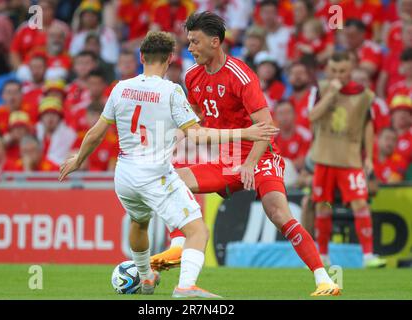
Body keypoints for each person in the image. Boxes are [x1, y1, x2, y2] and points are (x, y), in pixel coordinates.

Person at [59, 30, 276, 298]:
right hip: (154, 174)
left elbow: (96, 132)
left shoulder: (120, 88)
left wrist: (78, 160)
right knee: (197, 231)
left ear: (141, 57)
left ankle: (146, 276)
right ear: (170, 59)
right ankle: (185, 287)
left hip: (124, 175)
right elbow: (198, 134)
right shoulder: (171, 91)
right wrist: (245, 133)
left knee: (139, 223)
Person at [150, 12, 340, 297]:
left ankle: (324, 279)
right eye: (188, 41)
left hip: (259, 156)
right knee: (170, 180)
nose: (189, 48)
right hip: (225, 160)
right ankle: (178, 244)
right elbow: (199, 114)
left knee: (278, 212)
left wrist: (250, 163)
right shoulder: (192, 76)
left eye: (195, 41)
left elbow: (267, 127)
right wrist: (177, 134)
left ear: (215, 42)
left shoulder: (241, 75)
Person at [309, 51, 387, 269]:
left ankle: (368, 256)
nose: (338, 75)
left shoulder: (364, 95)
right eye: (334, 70)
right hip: (324, 157)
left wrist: (369, 157)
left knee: (360, 203)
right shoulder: (321, 89)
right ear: (327, 70)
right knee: (323, 207)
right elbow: (311, 116)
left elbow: (368, 125)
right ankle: (322, 256)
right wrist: (331, 95)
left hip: (351, 159)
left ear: (351, 69)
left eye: (342, 71)